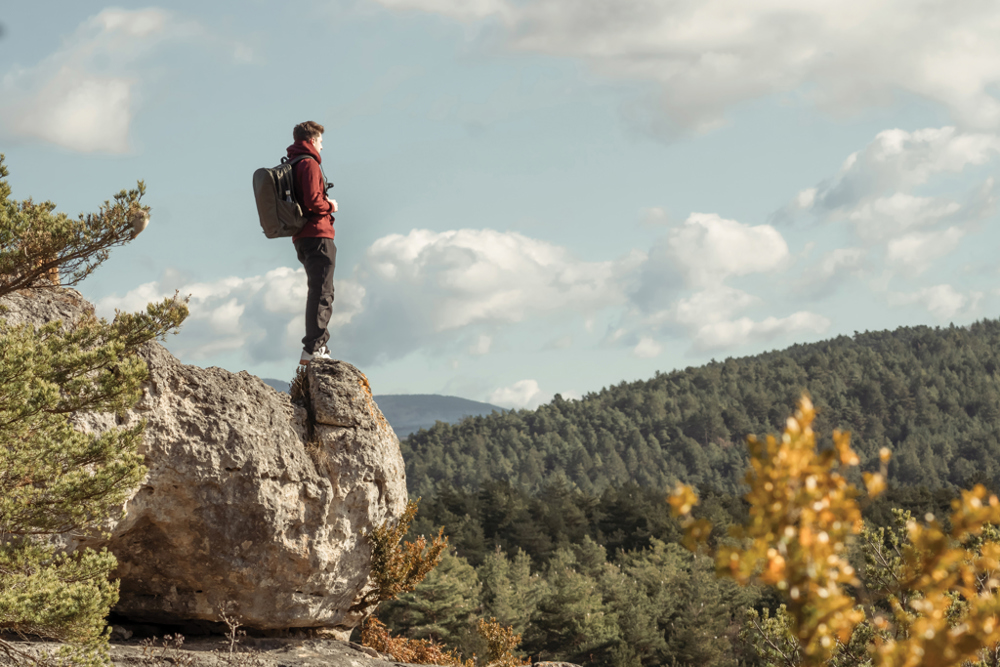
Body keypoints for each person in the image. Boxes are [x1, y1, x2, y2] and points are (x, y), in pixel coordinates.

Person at [287, 121, 337, 365]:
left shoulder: (294, 162)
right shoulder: (309, 163)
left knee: (319, 289)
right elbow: (313, 202)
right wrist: (331, 205)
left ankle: (317, 345)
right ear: (312, 140)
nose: (322, 146)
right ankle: (314, 347)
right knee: (322, 291)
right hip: (317, 234)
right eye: (320, 141)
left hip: (303, 236)